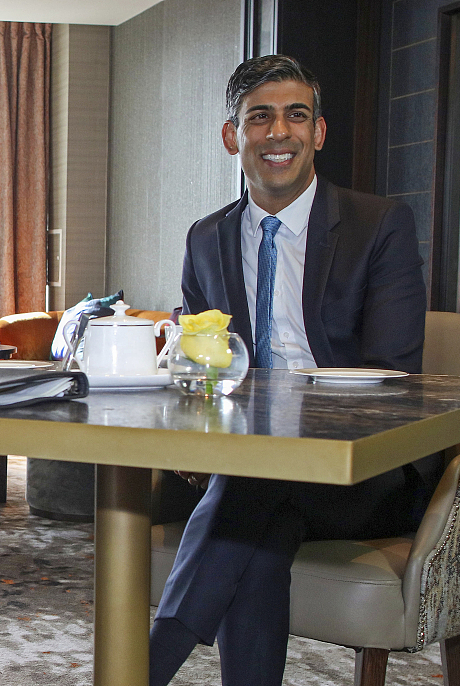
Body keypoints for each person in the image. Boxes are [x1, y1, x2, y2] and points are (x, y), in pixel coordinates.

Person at [149, 55, 434, 686]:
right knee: (260, 528)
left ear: (319, 132)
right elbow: (203, 362)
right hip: (253, 470)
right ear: (233, 136)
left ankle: (145, 667)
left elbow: (392, 374)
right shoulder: (207, 238)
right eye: (260, 117)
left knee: (248, 489)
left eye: (296, 115)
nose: (279, 132)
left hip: (359, 473)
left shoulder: (378, 225)